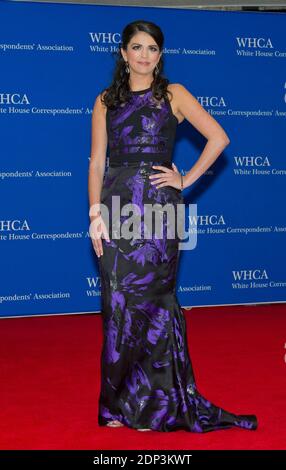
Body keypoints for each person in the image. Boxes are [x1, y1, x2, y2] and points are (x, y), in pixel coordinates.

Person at [88, 20, 258, 433]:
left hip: (160, 210)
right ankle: (116, 405)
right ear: (123, 53)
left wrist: (185, 179)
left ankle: (156, 405)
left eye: (152, 48)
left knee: (153, 303)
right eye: (137, 47)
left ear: (160, 55)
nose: (144, 55)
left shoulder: (173, 95)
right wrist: (94, 214)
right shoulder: (106, 100)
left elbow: (219, 138)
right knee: (117, 306)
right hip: (116, 206)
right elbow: (97, 161)